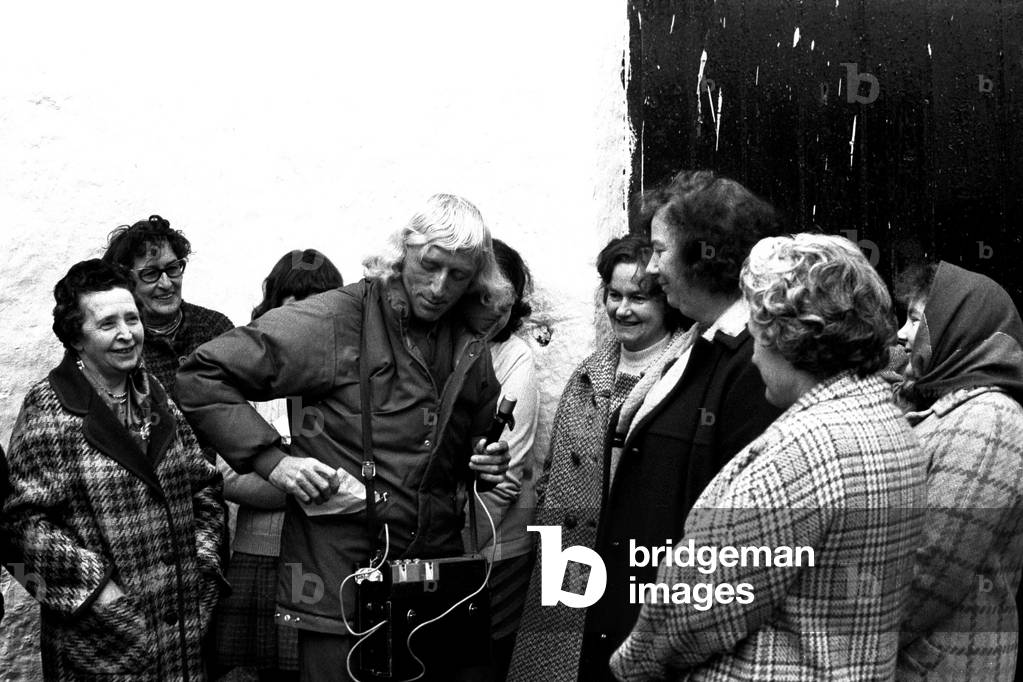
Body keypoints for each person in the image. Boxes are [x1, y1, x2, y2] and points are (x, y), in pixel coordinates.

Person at [176, 194, 511, 682]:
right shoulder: (334, 319)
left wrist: (485, 458)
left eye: (458, 275)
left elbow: (472, 439)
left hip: (435, 584)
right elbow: (201, 374)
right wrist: (274, 461)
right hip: (343, 584)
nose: (440, 288)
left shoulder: (466, 337)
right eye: (430, 265)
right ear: (401, 252)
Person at [610, 233, 928, 680]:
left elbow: (691, 607)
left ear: (790, 338)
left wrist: (629, 665)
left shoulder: (801, 452)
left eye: (759, 335)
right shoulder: (890, 422)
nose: (754, 355)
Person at [577, 172, 784, 680]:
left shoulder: (752, 368)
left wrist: (657, 647)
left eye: (660, 250)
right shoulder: (704, 342)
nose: (651, 266)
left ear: (703, 256)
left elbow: (737, 549)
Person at [1, 259, 226, 681]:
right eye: (107, 324)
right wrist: (98, 594)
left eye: (132, 319)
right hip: (101, 641)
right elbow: (18, 527)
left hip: (181, 633)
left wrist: (204, 564)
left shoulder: (154, 394)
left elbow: (204, 486)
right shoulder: (51, 408)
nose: (127, 334)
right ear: (77, 338)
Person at [509, 235, 690, 682]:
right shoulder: (588, 375)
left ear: (666, 301)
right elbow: (553, 474)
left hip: (636, 570)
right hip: (569, 571)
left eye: (639, 298)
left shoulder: (682, 376)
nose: (623, 310)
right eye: (615, 295)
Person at [214, 249, 343, 681]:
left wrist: (273, 469)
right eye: (293, 306)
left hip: (329, 558)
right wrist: (303, 482)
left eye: (317, 306)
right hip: (261, 555)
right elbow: (228, 474)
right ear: (272, 309)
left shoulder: (350, 376)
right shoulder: (247, 373)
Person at [895, 262, 1023, 680]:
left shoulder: (988, 419)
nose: (901, 333)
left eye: (915, 320)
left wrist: (851, 637)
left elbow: (932, 572)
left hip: (940, 667)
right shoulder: (943, 404)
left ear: (955, 328)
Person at [461, 237, 540, 681]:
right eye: (485, 299)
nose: (494, 313)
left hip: (493, 549)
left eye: (506, 304)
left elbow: (506, 475)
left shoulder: (513, 357)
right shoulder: (441, 349)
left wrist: (455, 549)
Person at [102, 214, 234, 399]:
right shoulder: (123, 345)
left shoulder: (215, 327)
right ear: (126, 280)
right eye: (150, 273)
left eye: (172, 269)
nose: (166, 283)